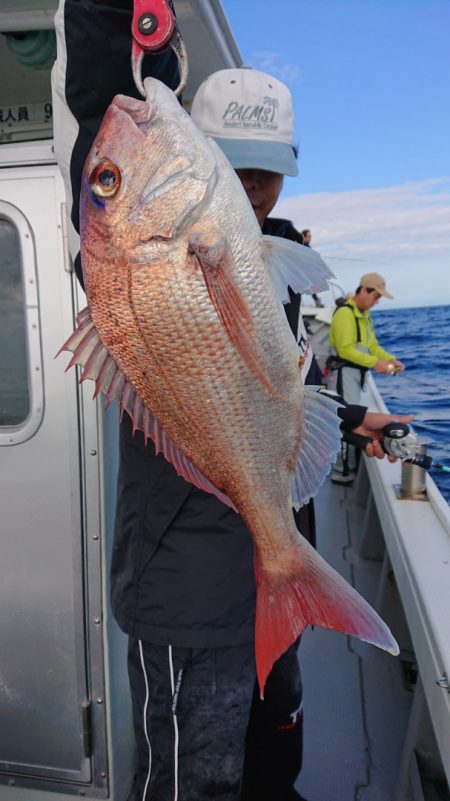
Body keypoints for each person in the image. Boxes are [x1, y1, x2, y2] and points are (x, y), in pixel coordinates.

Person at [52, 8, 412, 800]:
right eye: (237, 166)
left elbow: (279, 388)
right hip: (185, 583)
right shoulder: (131, 249)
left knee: (274, 747)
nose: (250, 187)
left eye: (265, 171)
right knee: (189, 776)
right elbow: (99, 113)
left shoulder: (270, 261)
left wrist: (355, 421)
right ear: (204, 154)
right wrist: (117, 22)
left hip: (268, 560)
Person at [328, 272, 405, 483]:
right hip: (344, 374)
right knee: (345, 421)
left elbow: (372, 346)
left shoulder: (364, 314)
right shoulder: (345, 313)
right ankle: (341, 472)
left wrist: (391, 359)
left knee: (353, 417)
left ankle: (348, 467)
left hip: (356, 375)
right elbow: (345, 350)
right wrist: (376, 363)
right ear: (363, 290)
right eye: (376, 296)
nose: (377, 301)